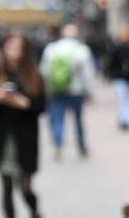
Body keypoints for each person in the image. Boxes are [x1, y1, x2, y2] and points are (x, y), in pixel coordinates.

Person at [0, 34, 46, 218]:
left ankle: (35, 213)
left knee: (25, 188)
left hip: (25, 139)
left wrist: (24, 103)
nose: (14, 51)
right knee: (6, 187)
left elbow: (41, 106)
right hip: (3, 139)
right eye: (10, 46)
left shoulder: (34, 75)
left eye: (18, 47)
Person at [39, 23, 94, 159]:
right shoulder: (81, 50)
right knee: (78, 119)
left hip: (57, 90)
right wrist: (89, 91)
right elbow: (88, 73)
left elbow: (44, 71)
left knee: (58, 118)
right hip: (76, 91)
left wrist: (46, 88)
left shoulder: (51, 49)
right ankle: (81, 146)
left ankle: (58, 144)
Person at [105, 25, 129, 130]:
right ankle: (124, 119)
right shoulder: (117, 48)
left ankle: (125, 118)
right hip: (120, 77)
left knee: (126, 98)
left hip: (128, 77)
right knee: (123, 98)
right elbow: (112, 62)